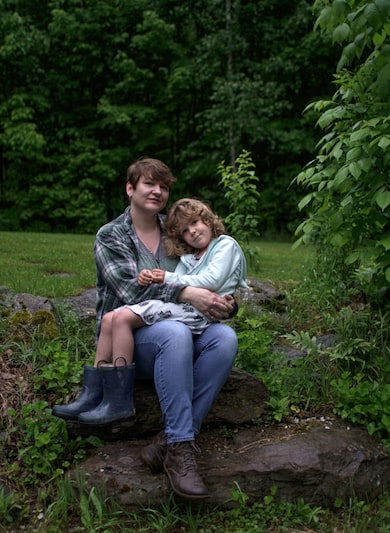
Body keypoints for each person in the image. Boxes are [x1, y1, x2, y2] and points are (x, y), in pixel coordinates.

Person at [52, 157, 237, 500]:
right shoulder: (111, 236)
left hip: (186, 327)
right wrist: (188, 293)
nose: (157, 191)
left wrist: (224, 302)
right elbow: (130, 291)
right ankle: (181, 449)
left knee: (225, 338)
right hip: (131, 340)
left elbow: (213, 271)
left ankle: (168, 440)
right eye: (149, 184)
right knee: (173, 333)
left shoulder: (178, 229)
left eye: (164, 186)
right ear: (130, 188)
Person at [77, 198, 247, 425]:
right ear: (130, 189)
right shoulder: (113, 235)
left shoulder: (207, 240)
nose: (193, 232)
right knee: (111, 317)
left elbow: (211, 280)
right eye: (186, 231)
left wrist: (229, 306)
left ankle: (168, 425)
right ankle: (94, 393)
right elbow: (141, 289)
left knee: (125, 318)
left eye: (196, 223)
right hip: (160, 327)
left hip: (188, 317)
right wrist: (154, 278)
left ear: (207, 219)